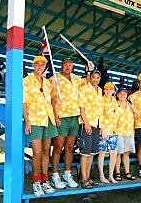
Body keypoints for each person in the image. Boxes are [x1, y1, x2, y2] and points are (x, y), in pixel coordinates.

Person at [51, 58, 93, 189]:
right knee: (58, 147)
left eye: (70, 65)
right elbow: (52, 98)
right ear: (61, 66)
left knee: (70, 148)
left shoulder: (75, 79)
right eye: (65, 65)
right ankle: (55, 175)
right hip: (62, 117)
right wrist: (55, 116)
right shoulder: (54, 78)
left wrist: (89, 70)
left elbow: (88, 81)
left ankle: (67, 175)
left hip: (74, 117)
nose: (68, 67)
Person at [23, 56, 58, 197]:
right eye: (37, 65)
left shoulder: (48, 83)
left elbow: (54, 100)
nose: (39, 67)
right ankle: (36, 181)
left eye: (42, 65)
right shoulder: (27, 81)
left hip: (48, 119)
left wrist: (55, 87)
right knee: (36, 152)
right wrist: (27, 121)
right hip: (35, 119)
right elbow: (24, 103)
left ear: (45, 66)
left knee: (45, 151)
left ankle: (45, 180)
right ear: (33, 66)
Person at [78, 69, 103, 189]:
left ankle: (88, 177)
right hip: (87, 124)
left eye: (98, 78)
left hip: (97, 124)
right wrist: (86, 124)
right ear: (90, 77)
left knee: (92, 153)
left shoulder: (100, 90)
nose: (96, 79)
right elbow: (82, 108)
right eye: (94, 77)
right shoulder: (84, 88)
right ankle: (83, 179)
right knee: (85, 152)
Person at [115, 86, 137, 181]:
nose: (123, 95)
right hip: (118, 131)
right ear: (117, 95)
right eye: (121, 93)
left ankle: (127, 172)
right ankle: (117, 172)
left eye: (124, 93)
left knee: (126, 152)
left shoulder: (130, 105)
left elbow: (136, 117)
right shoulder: (115, 104)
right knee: (118, 153)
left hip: (129, 132)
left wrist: (134, 111)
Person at [98, 82, 119, 184]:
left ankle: (111, 175)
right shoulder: (101, 100)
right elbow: (100, 115)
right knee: (102, 153)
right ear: (104, 90)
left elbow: (116, 115)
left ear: (114, 91)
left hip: (113, 130)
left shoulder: (114, 101)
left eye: (110, 89)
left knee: (114, 153)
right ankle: (102, 176)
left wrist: (116, 128)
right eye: (106, 89)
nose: (108, 91)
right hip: (104, 130)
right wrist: (103, 129)